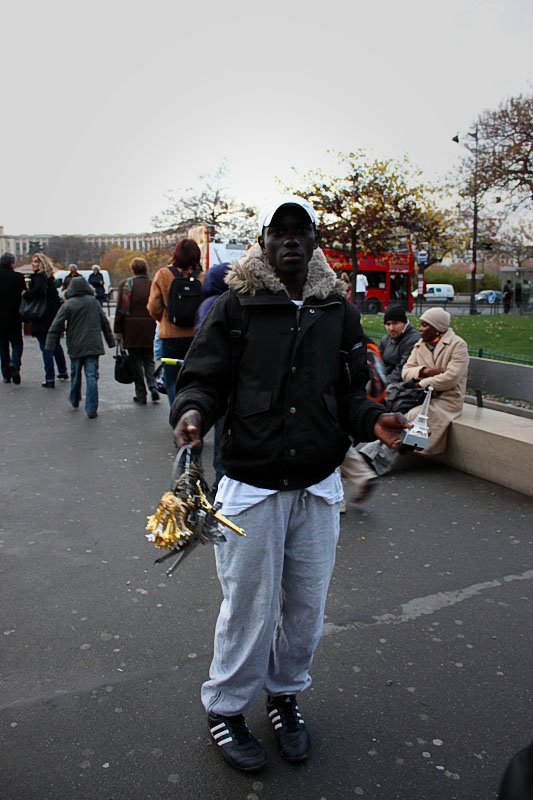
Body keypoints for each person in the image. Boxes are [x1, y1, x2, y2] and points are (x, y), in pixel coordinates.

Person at [170, 195, 410, 772]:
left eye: (302, 232)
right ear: (266, 241)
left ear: (314, 242)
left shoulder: (338, 312)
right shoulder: (236, 305)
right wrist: (192, 412)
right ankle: (225, 708)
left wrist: (369, 419)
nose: (292, 241)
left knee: (305, 605)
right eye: (282, 233)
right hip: (250, 485)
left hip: (317, 484)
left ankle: (284, 696)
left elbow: (351, 391)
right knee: (249, 605)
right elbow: (202, 377)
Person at [359, 307, 469, 476]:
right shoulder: (421, 344)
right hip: (420, 395)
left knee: (410, 418)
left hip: (445, 399)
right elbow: (406, 371)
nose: (421, 329)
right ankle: (368, 454)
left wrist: (420, 383)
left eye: (425, 326)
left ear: (437, 327)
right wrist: (424, 371)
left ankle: (377, 461)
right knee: (398, 410)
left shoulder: (457, 345)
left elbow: (451, 378)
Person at [45, 277, 115, 418]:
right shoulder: (93, 303)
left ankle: (75, 398)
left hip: (75, 344)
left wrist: (50, 344)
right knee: (92, 376)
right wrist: (110, 341)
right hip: (93, 344)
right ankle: (91, 407)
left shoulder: (68, 305)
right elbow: (105, 323)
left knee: (76, 373)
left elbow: (56, 325)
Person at [147, 238, 202, 406]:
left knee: (172, 380)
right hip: (196, 336)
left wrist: (163, 320)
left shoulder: (163, 274)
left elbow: (154, 306)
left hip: (170, 336)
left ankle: (178, 414)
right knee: (194, 379)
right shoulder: (202, 276)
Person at [194, 262, 231, 491]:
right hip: (223, 375)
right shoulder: (223, 304)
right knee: (223, 430)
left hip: (211, 375)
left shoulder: (206, 303)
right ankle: (221, 479)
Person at [114, 257, 159, 405]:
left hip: (131, 329)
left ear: (133, 269)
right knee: (149, 359)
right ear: (145, 268)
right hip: (150, 327)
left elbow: (120, 309)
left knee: (135, 362)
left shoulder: (125, 285)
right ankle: (153, 385)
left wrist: (118, 330)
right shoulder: (153, 284)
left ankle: (141, 393)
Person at [23, 253, 68, 387]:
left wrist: (26, 294)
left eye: (36, 262)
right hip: (52, 316)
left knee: (45, 347)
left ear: (41, 264)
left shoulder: (39, 278)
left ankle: (49, 378)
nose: (33, 264)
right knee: (55, 345)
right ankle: (62, 371)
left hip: (42, 317)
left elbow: (38, 291)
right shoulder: (50, 278)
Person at [0, 253, 26, 385]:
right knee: (17, 344)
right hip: (14, 316)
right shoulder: (18, 277)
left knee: (3, 347)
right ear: (12, 263)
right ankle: (14, 363)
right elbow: (24, 294)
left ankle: (6, 375)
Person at [379, 306, 420, 384]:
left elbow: (402, 369)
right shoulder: (385, 339)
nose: (391, 328)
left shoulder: (413, 340)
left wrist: (383, 385)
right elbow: (378, 362)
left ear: (404, 323)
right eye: (388, 324)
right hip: (386, 380)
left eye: (395, 323)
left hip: (403, 384)